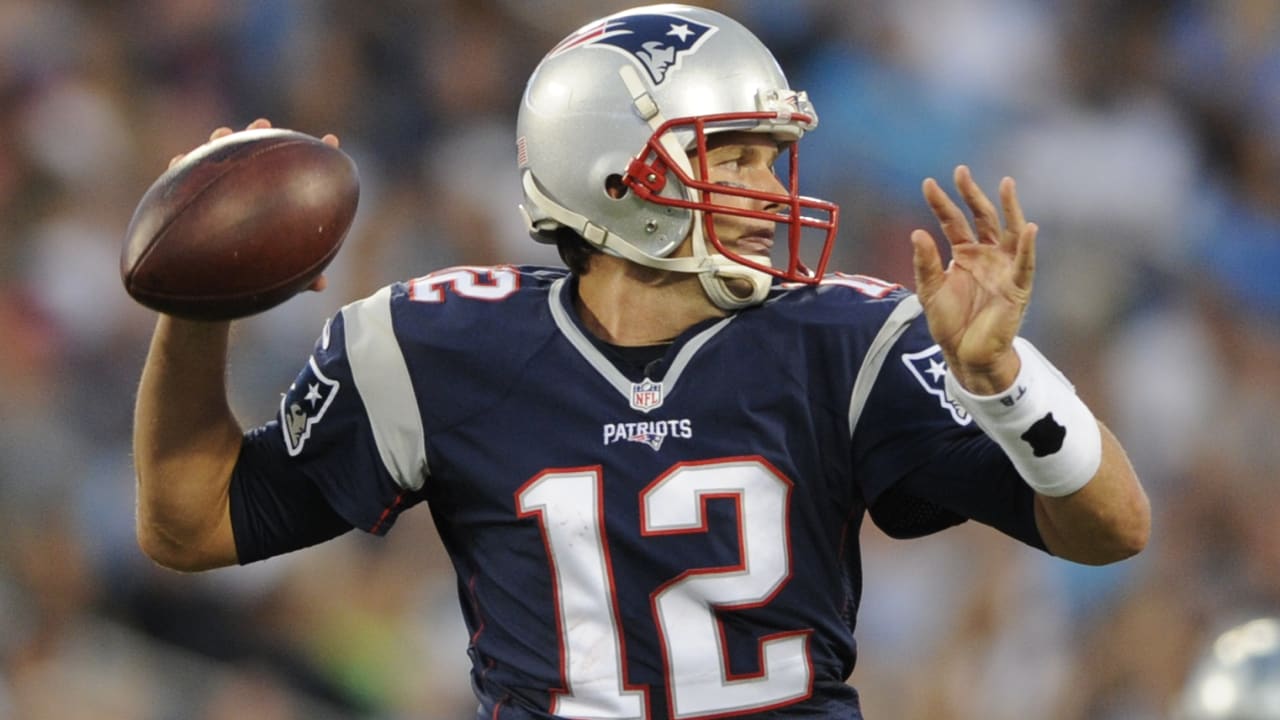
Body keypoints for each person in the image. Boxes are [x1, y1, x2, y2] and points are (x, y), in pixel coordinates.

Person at [131, 5, 1150, 718]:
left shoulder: (844, 340)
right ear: (614, 170)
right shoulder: (432, 344)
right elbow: (192, 522)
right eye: (732, 157)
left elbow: (1109, 531)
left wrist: (1005, 381)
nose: (766, 189)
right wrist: (199, 302)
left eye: (768, 157)